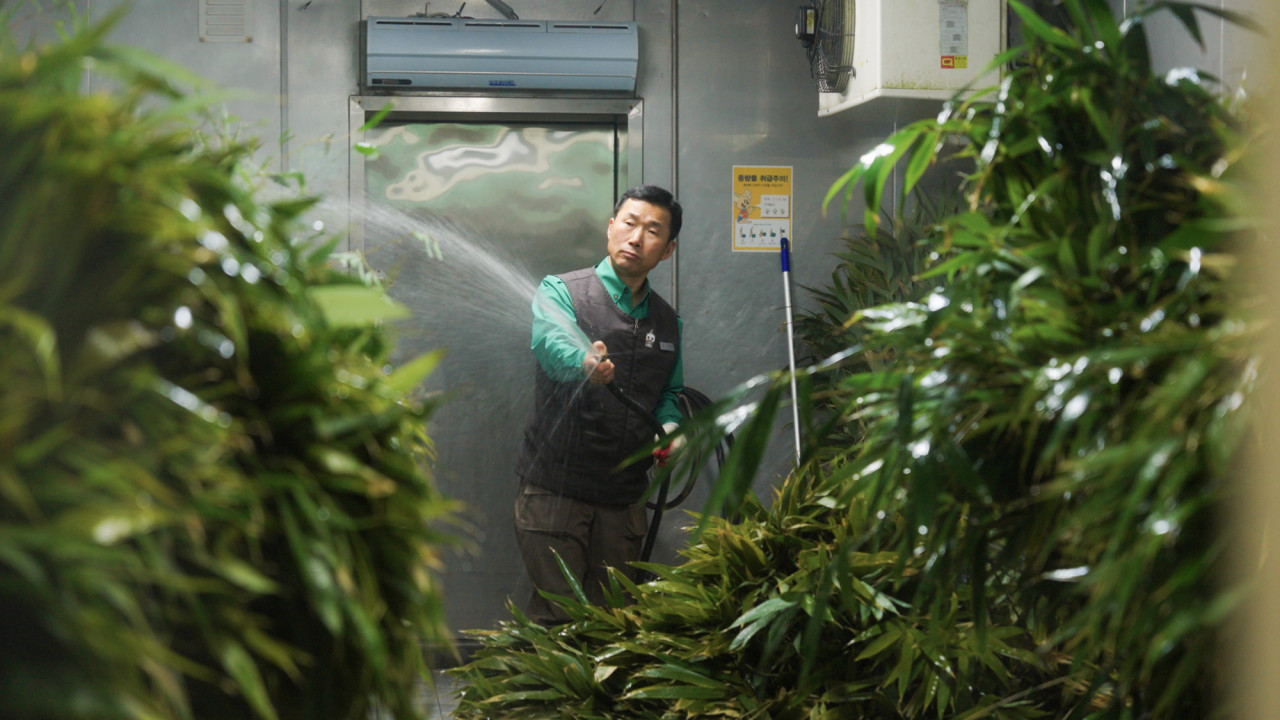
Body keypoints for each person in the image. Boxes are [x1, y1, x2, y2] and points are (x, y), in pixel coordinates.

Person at [513, 185, 685, 626]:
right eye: (629, 223)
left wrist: (670, 429)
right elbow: (550, 345)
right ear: (611, 227)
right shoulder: (561, 290)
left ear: (667, 250)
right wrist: (584, 362)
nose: (636, 238)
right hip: (557, 492)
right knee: (558, 621)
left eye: (652, 231)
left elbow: (667, 393)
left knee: (614, 623)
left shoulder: (668, 321)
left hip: (623, 501)